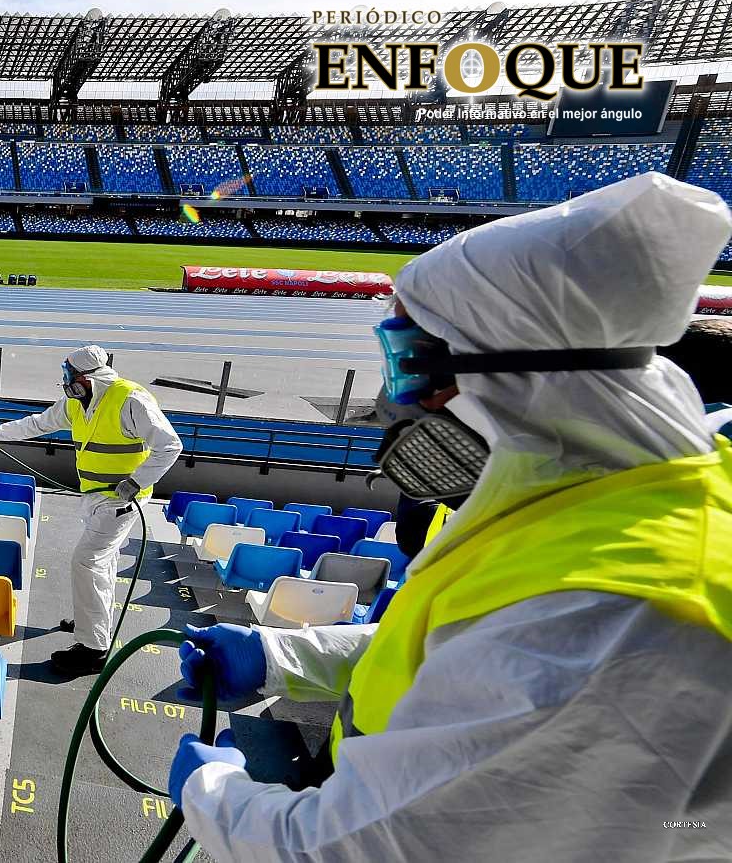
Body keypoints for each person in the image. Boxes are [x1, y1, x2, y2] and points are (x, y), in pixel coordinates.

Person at [166, 173, 732, 861]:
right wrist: (282, 656)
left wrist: (213, 792)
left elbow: (356, 851)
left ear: (512, 373)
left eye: (408, 364)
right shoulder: (596, 503)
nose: (395, 403)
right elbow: (471, 655)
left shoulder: (619, 616)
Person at [0, 344, 180, 677]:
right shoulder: (76, 404)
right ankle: (92, 621)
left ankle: (94, 649)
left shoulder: (131, 401)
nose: (66, 381)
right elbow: (38, 424)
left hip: (122, 502)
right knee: (102, 562)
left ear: (89, 377)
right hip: (95, 498)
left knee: (87, 561)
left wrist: (136, 482)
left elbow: (170, 445)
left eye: (70, 375)